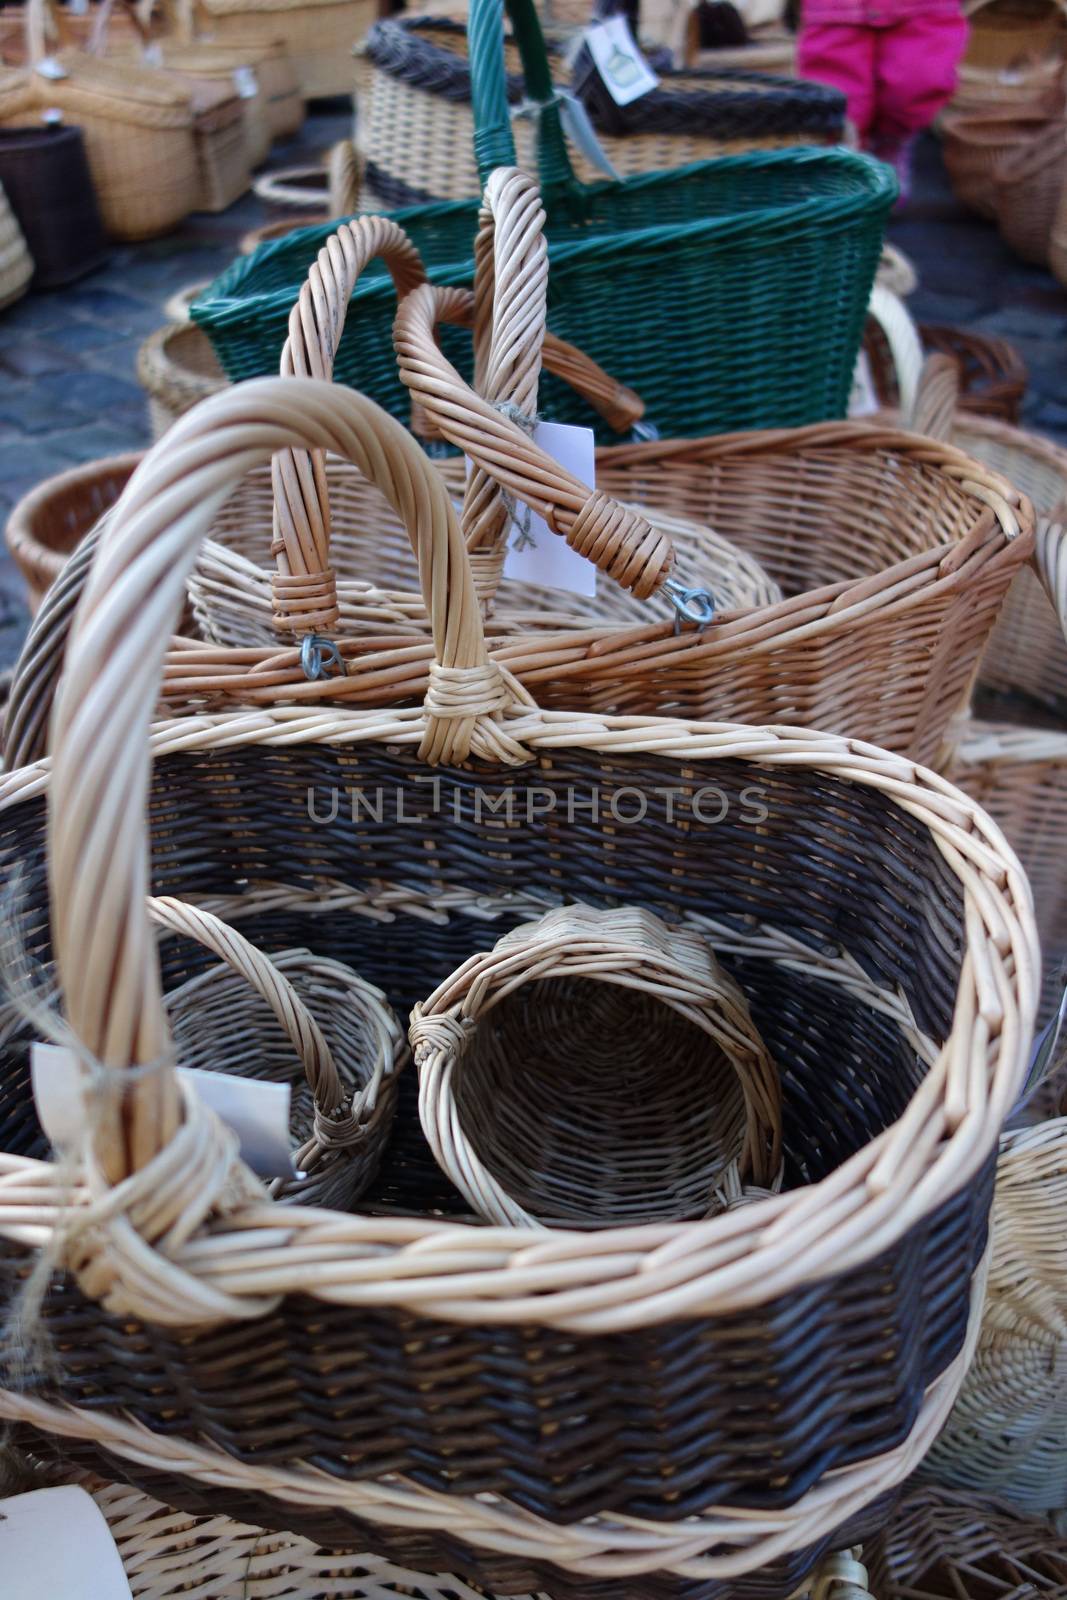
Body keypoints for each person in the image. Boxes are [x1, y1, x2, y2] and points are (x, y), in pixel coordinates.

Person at [797, 1, 969, 199]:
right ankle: (843, 167)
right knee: (840, 102)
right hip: (838, 11)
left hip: (921, 10)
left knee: (918, 81)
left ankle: (890, 141)